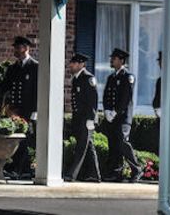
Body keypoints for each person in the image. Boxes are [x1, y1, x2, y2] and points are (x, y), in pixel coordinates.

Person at [102, 47, 143, 183]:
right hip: (112, 118)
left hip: (123, 117)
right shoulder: (111, 77)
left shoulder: (127, 77)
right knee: (113, 144)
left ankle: (136, 168)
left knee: (123, 143)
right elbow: (107, 96)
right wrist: (107, 110)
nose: (111, 61)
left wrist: (115, 111)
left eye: (113, 59)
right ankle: (116, 172)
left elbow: (125, 98)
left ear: (121, 60)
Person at [2, 36, 39, 180]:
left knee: (25, 140)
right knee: (17, 139)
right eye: (15, 48)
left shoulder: (34, 66)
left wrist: (35, 110)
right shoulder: (13, 68)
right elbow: (6, 86)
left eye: (18, 48)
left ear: (25, 48)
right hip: (15, 109)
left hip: (28, 110)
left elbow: (37, 90)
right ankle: (20, 169)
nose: (15, 51)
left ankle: (20, 169)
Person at [65, 52, 101, 183]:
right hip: (79, 119)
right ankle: (94, 175)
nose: (71, 65)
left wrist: (91, 119)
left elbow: (93, 100)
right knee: (88, 145)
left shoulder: (88, 78)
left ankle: (71, 174)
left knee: (81, 147)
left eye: (74, 63)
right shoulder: (76, 78)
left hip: (87, 119)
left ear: (81, 64)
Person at [152, 52, 162, 118]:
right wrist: (157, 109)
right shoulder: (160, 80)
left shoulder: (169, 81)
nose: (159, 64)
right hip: (160, 115)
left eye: (160, 61)